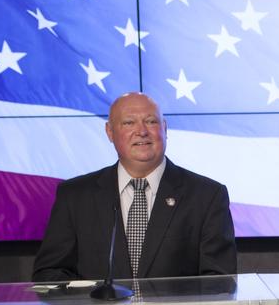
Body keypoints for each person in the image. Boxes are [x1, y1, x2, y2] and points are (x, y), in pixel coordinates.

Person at [33, 92, 237, 281]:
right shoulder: (75, 196)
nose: (141, 131)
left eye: (151, 122)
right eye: (129, 123)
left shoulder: (207, 196)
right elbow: (49, 274)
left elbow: (220, 280)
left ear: (164, 129)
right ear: (110, 132)